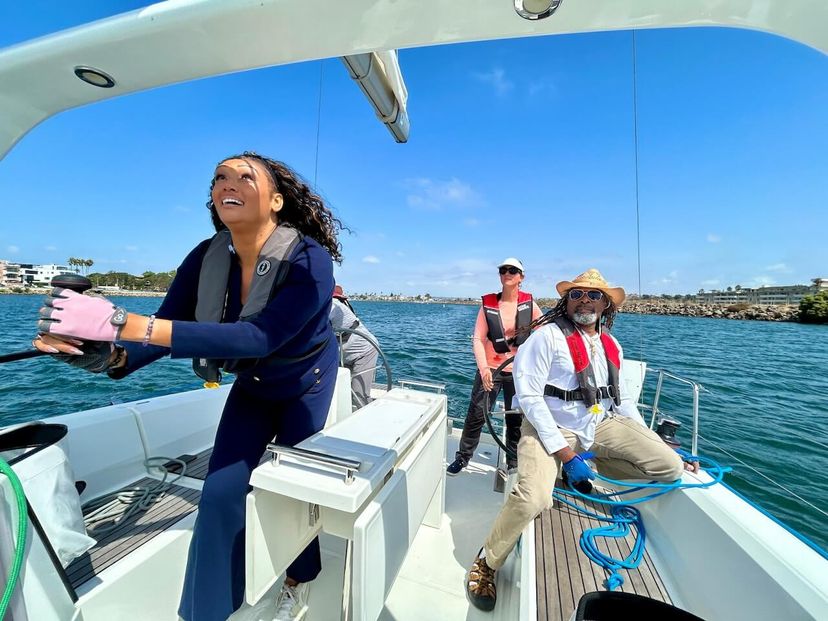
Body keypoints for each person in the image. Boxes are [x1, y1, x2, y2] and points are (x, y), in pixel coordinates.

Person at [33, 152, 343, 621]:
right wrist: (108, 355)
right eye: (220, 177)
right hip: (254, 387)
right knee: (219, 493)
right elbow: (167, 326)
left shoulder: (309, 261)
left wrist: (120, 321)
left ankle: (299, 580)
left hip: (307, 383)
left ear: (277, 200)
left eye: (244, 176)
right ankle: (207, 613)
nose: (227, 184)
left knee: (295, 491)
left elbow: (260, 336)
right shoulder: (205, 256)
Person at [465, 268, 695, 612]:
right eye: (576, 294)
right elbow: (529, 398)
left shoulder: (611, 345)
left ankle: (592, 462)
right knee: (534, 498)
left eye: (594, 295)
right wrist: (566, 453)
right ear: (566, 301)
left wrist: (654, 443)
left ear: (606, 305)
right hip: (549, 427)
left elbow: (623, 402)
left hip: (599, 424)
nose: (584, 300)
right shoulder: (545, 338)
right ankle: (488, 561)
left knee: (670, 467)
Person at [447, 258, 542, 476]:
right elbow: (478, 339)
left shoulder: (531, 305)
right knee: (477, 414)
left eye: (513, 270)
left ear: (521, 276)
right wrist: (484, 369)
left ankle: (513, 461)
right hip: (490, 370)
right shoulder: (488, 305)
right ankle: (463, 457)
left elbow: (546, 334)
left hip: (518, 373)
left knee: (515, 418)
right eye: (503, 270)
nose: (507, 273)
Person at [330, 284, 379, 410]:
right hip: (343, 353)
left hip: (365, 352)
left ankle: (366, 420)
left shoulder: (334, 305)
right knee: (337, 388)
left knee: (359, 394)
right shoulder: (335, 304)